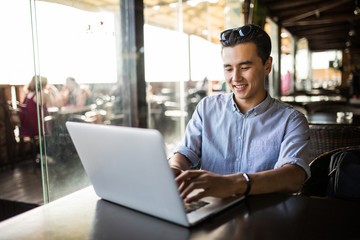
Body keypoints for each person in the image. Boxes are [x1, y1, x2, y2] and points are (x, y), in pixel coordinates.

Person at [168, 24, 310, 203]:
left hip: (264, 217)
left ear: (267, 65)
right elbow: (186, 152)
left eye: (244, 67)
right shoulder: (207, 108)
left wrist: (233, 184)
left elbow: (294, 176)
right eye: (228, 68)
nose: (235, 78)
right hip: (209, 211)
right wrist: (175, 169)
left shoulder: (291, 120)